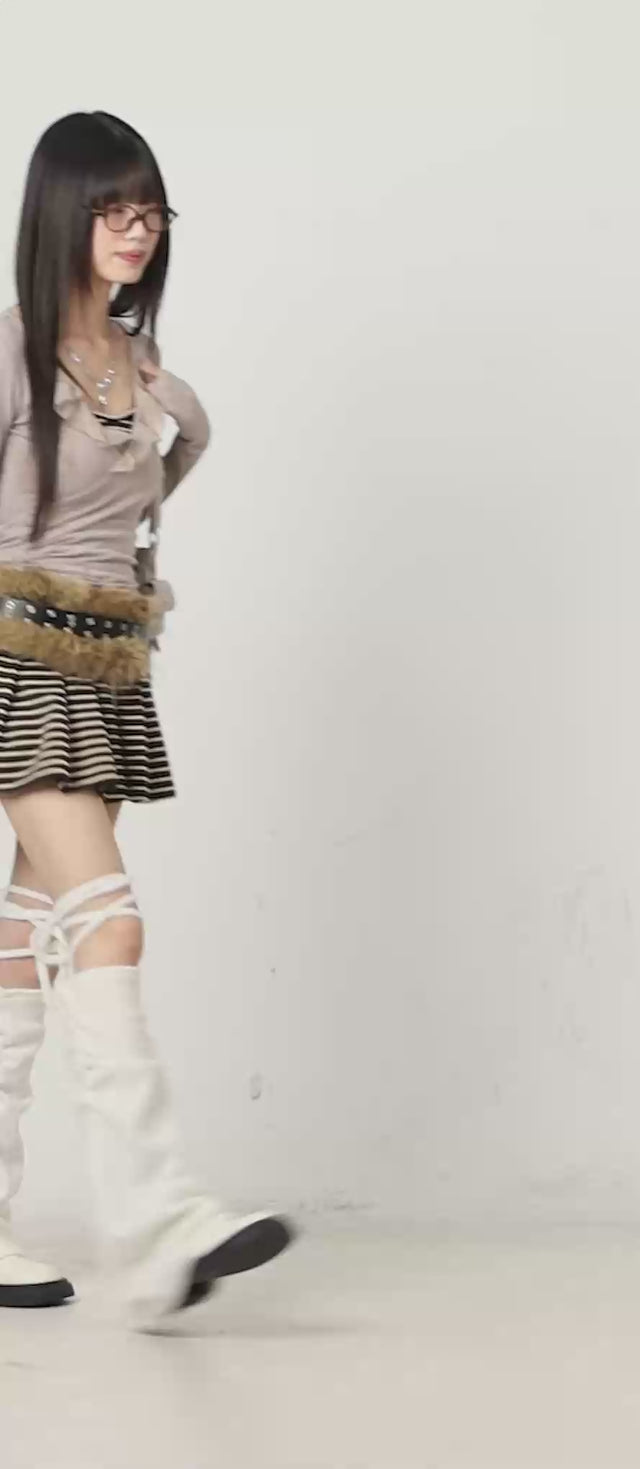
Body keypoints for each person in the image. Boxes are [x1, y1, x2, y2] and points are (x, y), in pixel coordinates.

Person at [0, 111, 294, 1326]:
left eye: (151, 211)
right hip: (19, 662)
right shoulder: (12, 353)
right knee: (107, 921)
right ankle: (161, 1218)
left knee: (24, 935)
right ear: (61, 216)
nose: (137, 231)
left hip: (108, 665)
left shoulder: (137, 363)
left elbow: (148, 480)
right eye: (113, 209)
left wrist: (180, 422)